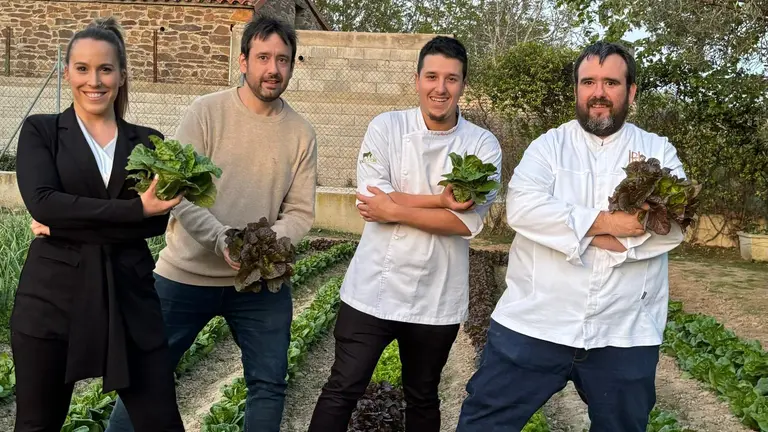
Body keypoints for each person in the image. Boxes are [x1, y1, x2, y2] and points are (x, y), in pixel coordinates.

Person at [456, 41, 687, 432]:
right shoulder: (548, 147)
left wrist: (578, 233)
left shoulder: (657, 150)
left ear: (630, 92)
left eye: (611, 82)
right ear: (577, 90)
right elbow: (524, 209)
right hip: (536, 321)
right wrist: (607, 226)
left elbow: (675, 226)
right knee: (484, 423)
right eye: (588, 82)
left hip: (624, 328)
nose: (598, 92)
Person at [105, 15, 317, 432]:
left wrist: (256, 250)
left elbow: (299, 214)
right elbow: (174, 192)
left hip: (260, 283)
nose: (272, 69)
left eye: (283, 60)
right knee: (146, 379)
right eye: (263, 58)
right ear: (243, 61)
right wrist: (222, 240)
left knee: (268, 384)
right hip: (185, 276)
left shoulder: (301, 134)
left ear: (292, 65)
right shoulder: (206, 112)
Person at [308, 36, 502, 432]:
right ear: (416, 79)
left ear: (463, 84)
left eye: (451, 78)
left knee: (423, 396)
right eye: (431, 76)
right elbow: (372, 197)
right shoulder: (387, 126)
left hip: (437, 296)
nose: (440, 88)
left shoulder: (482, 144)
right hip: (373, 288)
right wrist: (442, 202)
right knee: (342, 388)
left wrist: (394, 210)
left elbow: (466, 223)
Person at [11, 17, 184, 432]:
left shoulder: (148, 142)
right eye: (83, 68)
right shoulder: (41, 131)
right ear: (66, 71)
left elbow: (155, 226)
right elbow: (43, 203)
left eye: (106, 69)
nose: (95, 80)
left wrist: (67, 222)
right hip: (52, 302)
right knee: (37, 425)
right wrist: (133, 211)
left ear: (122, 75)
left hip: (130, 301)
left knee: (161, 424)